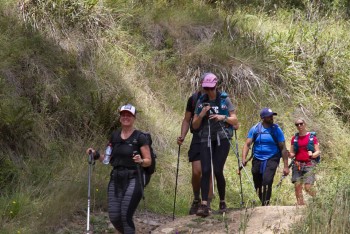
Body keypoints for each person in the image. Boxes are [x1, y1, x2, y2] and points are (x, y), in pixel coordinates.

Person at [86, 104, 152, 234]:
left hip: (134, 178)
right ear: (120, 117)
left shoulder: (140, 137)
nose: (126, 117)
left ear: (134, 118)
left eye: (129, 115)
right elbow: (107, 159)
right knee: (114, 217)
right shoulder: (114, 136)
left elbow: (148, 161)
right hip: (116, 178)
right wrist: (95, 154)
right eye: (123, 114)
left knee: (125, 215)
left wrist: (140, 160)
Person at [192, 72, 239, 217]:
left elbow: (235, 121)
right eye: (206, 88)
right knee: (206, 170)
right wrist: (201, 114)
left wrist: (222, 117)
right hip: (205, 138)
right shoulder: (201, 101)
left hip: (222, 138)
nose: (209, 91)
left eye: (211, 88)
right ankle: (204, 204)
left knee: (217, 170)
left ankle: (223, 201)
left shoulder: (224, 99)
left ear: (216, 86)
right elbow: (194, 125)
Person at [177, 74, 213, 215]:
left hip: (213, 137)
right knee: (197, 172)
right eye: (205, 84)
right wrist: (182, 136)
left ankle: (207, 204)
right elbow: (187, 120)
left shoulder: (218, 97)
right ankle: (197, 198)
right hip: (198, 137)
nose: (207, 87)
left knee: (208, 172)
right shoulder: (193, 99)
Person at [242, 108, 289, 206]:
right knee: (257, 182)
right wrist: (244, 159)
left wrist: (286, 166)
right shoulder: (255, 129)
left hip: (272, 157)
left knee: (267, 180)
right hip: (257, 158)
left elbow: (283, 148)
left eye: (272, 115)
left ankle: (265, 204)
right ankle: (263, 201)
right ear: (263, 118)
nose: (272, 117)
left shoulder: (276, 129)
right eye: (269, 116)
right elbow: (247, 144)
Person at [289, 118, 320, 205]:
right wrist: (289, 154)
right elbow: (292, 153)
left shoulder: (312, 137)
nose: (299, 126)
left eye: (301, 124)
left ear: (304, 124)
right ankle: (300, 205)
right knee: (297, 186)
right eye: (297, 124)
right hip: (297, 164)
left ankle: (319, 201)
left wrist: (312, 155)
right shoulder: (294, 138)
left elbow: (318, 151)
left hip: (309, 164)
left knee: (308, 187)